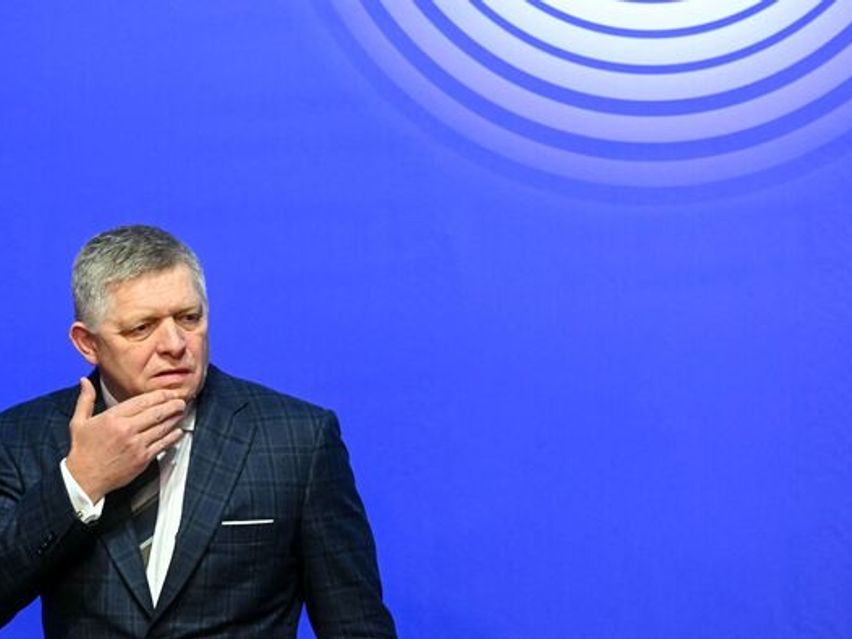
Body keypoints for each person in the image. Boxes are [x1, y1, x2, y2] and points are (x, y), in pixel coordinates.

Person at [0, 225, 397, 638]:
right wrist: (80, 483)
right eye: (142, 327)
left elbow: (356, 626)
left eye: (189, 318)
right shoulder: (23, 438)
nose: (175, 344)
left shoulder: (298, 440)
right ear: (87, 343)